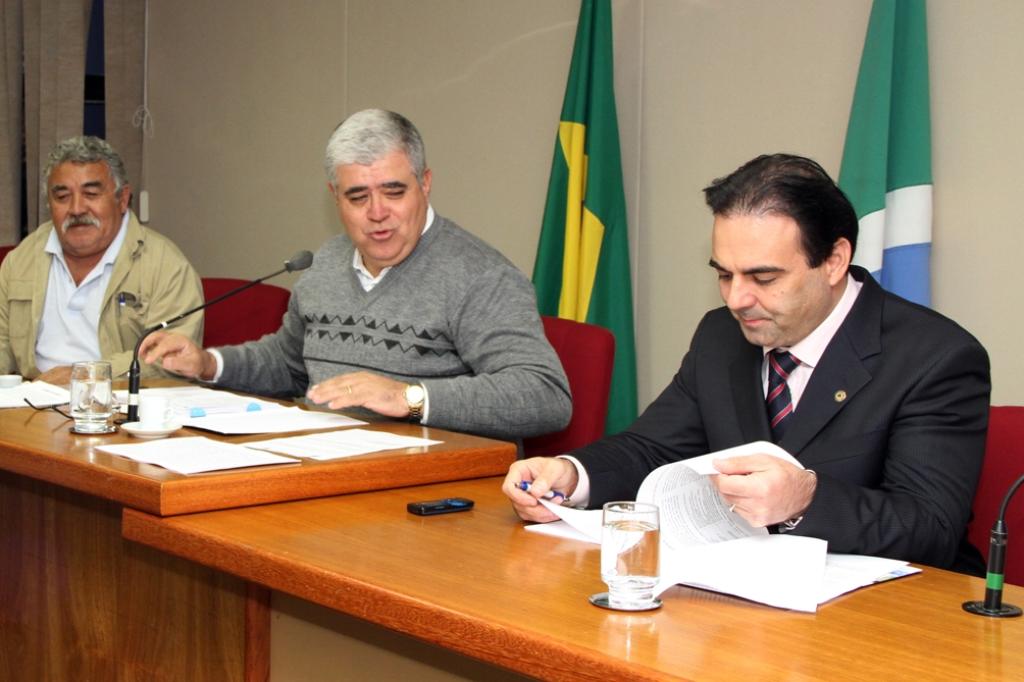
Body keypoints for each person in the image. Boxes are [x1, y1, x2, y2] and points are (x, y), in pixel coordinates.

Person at [504, 153, 990, 574]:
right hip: (740, 594)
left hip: (892, 618)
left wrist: (804, 502)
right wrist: (571, 473)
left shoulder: (936, 358)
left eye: (763, 276)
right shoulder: (721, 336)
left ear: (835, 260)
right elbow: (652, 449)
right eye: (725, 275)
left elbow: (932, 526)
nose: (738, 299)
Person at [139, 109, 571, 442]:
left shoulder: (480, 276)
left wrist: (408, 398)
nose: (377, 213)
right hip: (322, 463)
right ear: (335, 198)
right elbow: (289, 365)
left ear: (426, 183)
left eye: (394, 191)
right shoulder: (327, 261)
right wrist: (206, 362)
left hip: (432, 491)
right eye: (358, 196)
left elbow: (543, 395)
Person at [0, 136, 203, 385]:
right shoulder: (21, 259)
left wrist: (85, 375)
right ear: (49, 204)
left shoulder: (166, 266)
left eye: (91, 194)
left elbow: (171, 361)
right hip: (31, 403)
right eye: (62, 197)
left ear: (122, 199)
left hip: (119, 407)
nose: (76, 209)